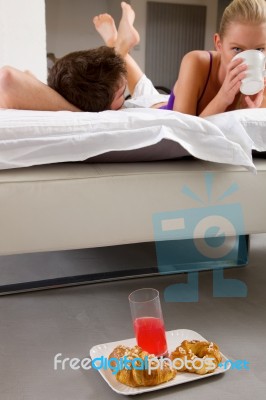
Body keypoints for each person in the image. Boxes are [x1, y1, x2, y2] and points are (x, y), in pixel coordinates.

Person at [170, 0, 266, 116]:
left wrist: (249, 115)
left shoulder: (262, 86)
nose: (247, 62)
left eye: (259, 50)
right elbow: (181, 131)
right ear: (219, 44)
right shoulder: (196, 62)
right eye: (237, 49)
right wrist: (222, 98)